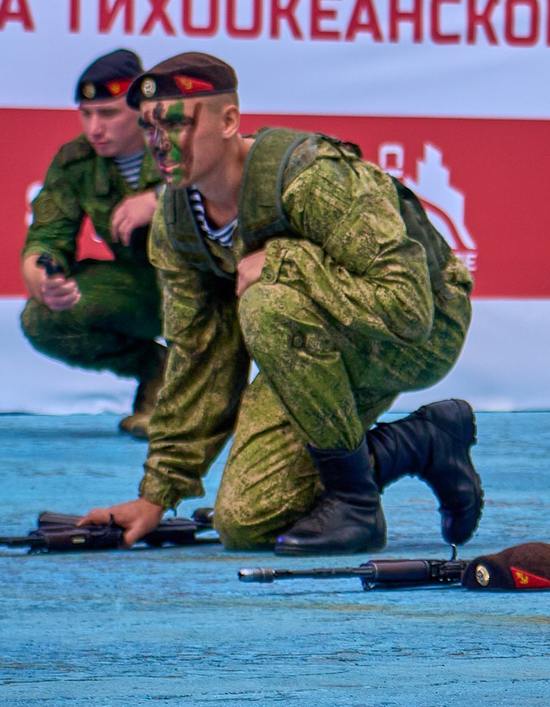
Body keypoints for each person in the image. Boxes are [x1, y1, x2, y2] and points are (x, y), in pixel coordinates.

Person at [77, 53, 484, 555]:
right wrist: (157, 495)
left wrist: (285, 263)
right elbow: (198, 357)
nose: (160, 142)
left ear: (229, 121)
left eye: (177, 123)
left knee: (267, 303)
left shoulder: (311, 177)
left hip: (419, 334)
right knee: (244, 521)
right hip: (308, 346)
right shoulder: (177, 221)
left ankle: (354, 503)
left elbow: (408, 306)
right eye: (149, 126)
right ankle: (424, 442)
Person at [22, 49, 165, 438]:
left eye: (109, 113)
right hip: (149, 287)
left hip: (215, 287)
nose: (94, 128)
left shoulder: (186, 140)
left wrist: (160, 201)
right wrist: (43, 277)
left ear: (143, 109)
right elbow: (47, 236)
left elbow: (236, 194)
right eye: (87, 114)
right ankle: (159, 370)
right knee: (42, 319)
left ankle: (201, 397)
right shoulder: (77, 162)